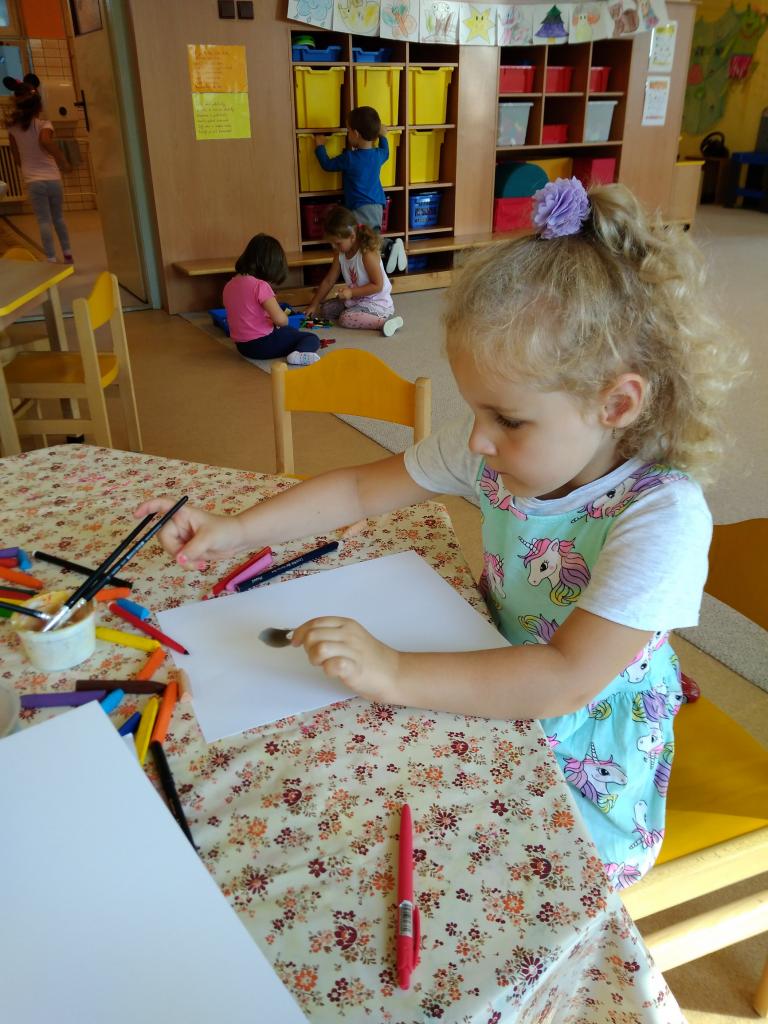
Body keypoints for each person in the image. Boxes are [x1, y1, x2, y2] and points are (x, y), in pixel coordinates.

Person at [135, 179, 743, 887]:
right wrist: (236, 528)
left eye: (507, 419)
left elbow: (564, 679)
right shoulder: (494, 446)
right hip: (490, 662)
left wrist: (392, 671)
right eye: (475, 410)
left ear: (617, 404)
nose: (477, 439)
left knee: (471, 873)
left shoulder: (662, 518)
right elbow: (359, 489)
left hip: (582, 742)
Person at [315, 105, 406, 274]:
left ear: (356, 134)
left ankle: (390, 246)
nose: (348, 134)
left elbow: (327, 164)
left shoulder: (349, 158)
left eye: (348, 131)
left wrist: (320, 146)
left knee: (365, 238)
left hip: (360, 206)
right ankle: (388, 250)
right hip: (377, 204)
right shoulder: (378, 154)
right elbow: (386, 152)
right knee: (369, 235)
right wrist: (383, 136)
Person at [304, 206, 403, 337]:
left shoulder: (366, 254)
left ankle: (385, 322)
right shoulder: (340, 253)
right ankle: (358, 312)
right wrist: (314, 304)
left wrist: (351, 292)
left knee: (345, 319)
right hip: (357, 299)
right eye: (331, 243)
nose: (334, 247)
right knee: (326, 310)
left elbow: (377, 285)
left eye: (337, 243)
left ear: (352, 236)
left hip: (377, 302)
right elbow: (329, 280)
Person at [223, 233, 320, 365]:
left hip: (243, 347)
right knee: (310, 337)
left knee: (288, 329)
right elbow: (281, 321)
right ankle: (299, 354)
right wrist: (284, 319)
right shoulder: (260, 285)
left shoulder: (229, 285)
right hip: (263, 345)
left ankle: (293, 347)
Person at [5, 77, 72, 263]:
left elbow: (16, 156)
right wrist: (63, 161)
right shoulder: (45, 125)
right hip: (53, 178)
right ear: (38, 106)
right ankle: (67, 254)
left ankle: (51, 258)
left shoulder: (13, 128)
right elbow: (45, 141)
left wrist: (26, 168)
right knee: (58, 218)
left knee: (43, 220)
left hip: (33, 181)